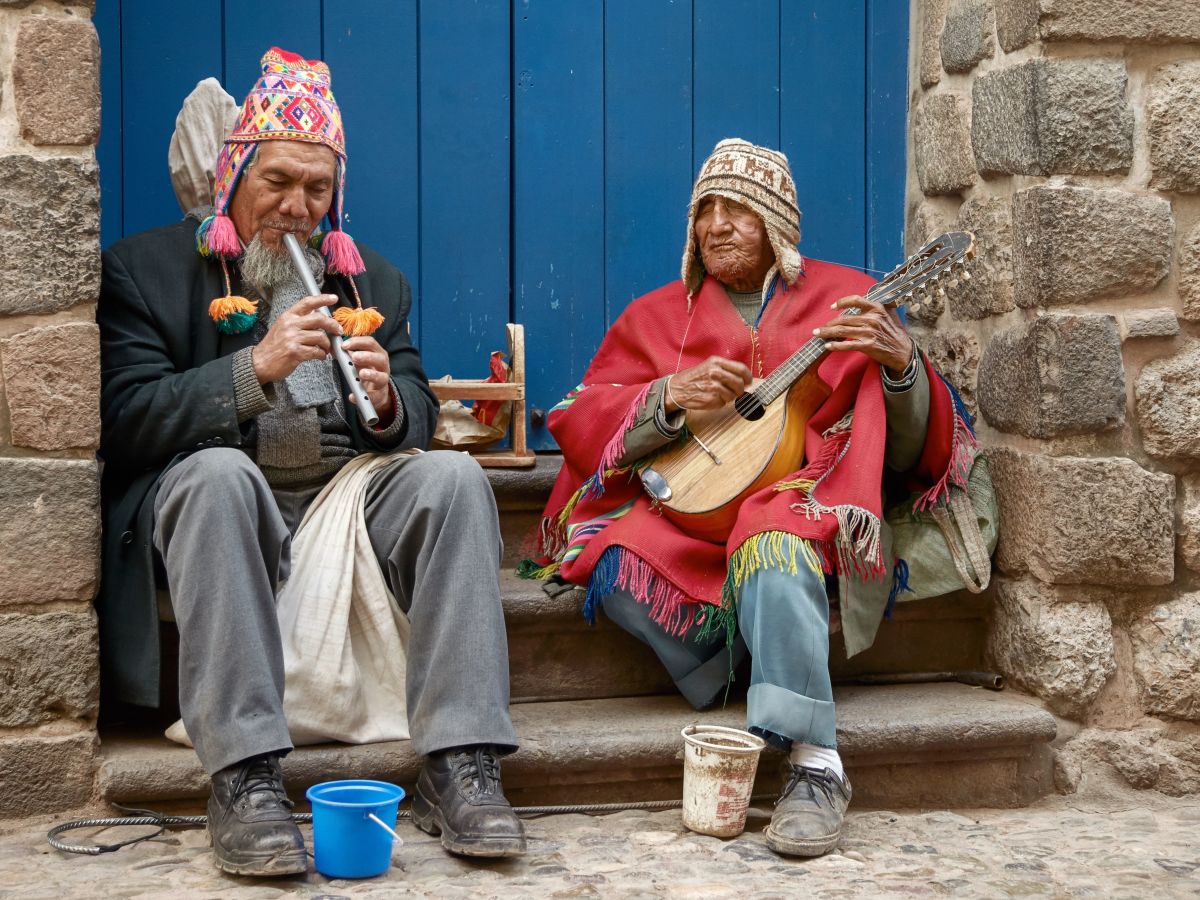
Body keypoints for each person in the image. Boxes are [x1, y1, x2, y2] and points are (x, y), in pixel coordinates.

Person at [97, 48, 525, 876]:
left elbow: (417, 407)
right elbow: (125, 421)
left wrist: (394, 401)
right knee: (220, 478)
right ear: (232, 179)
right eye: (277, 183)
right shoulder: (145, 272)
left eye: (317, 191)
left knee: (454, 477)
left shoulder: (371, 284)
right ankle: (246, 777)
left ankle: (463, 763)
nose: (296, 209)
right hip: (219, 496)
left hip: (344, 502)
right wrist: (251, 370)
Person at [527, 139, 974, 858]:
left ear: (777, 224)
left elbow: (910, 448)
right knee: (605, 559)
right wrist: (665, 399)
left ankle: (815, 765)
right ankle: (735, 658)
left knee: (773, 544)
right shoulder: (656, 317)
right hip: (694, 515)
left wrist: (900, 367)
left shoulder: (846, 300)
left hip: (805, 500)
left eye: (738, 209)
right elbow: (581, 415)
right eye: (706, 209)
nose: (716, 224)